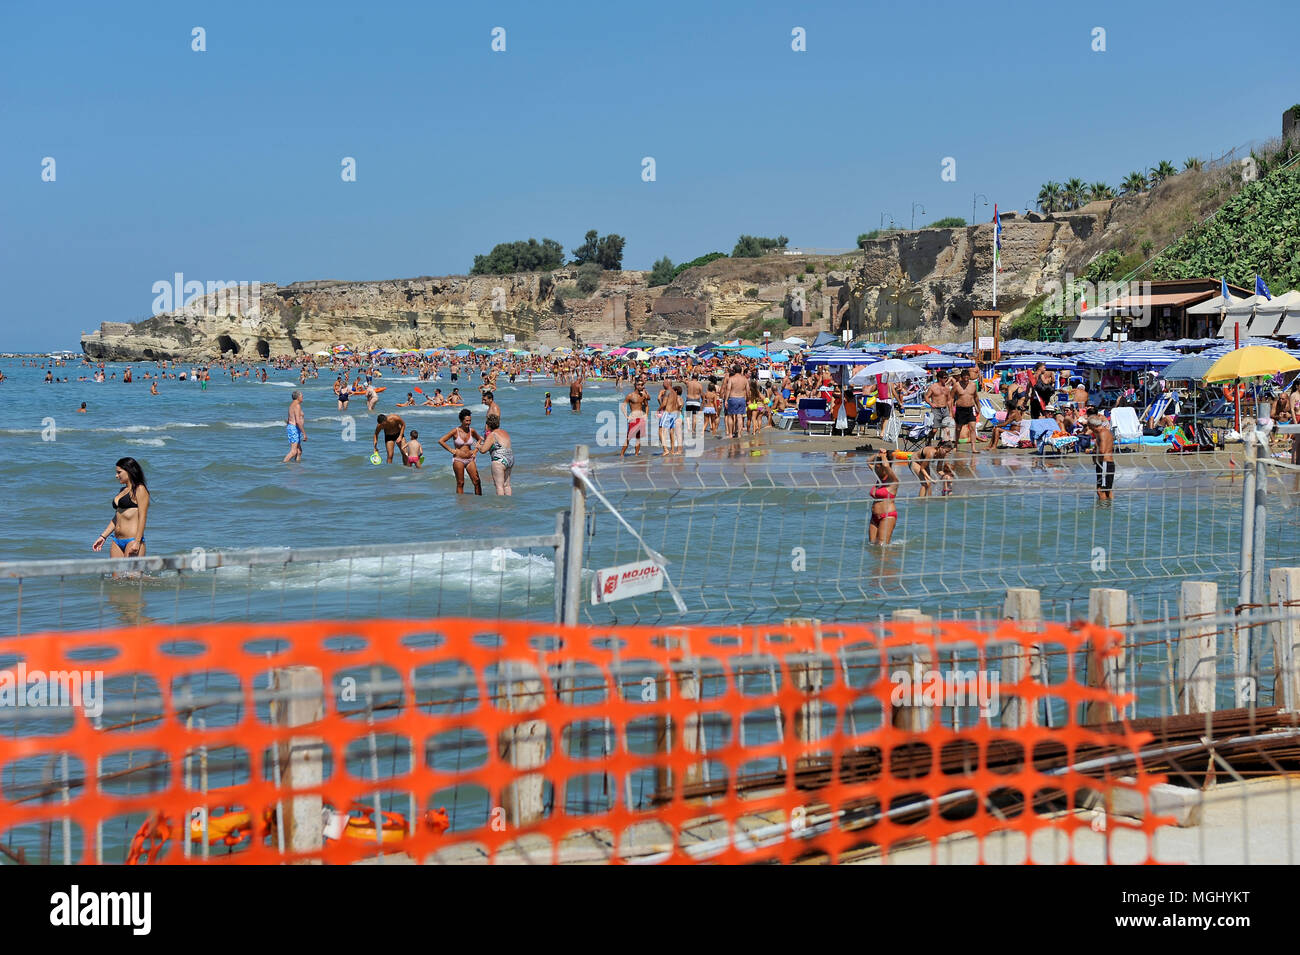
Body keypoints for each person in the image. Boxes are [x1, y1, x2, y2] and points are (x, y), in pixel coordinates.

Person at [92, 458, 150, 558]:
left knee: (133, 574)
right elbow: (117, 516)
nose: (116, 476)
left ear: (129, 471)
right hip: (116, 541)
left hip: (132, 540)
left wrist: (137, 541)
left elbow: (143, 517)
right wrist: (103, 536)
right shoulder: (123, 490)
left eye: (119, 472)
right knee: (116, 574)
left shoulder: (140, 489)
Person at [439, 409, 482, 494]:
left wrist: (475, 451)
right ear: (461, 420)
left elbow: (480, 439)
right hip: (459, 459)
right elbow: (441, 441)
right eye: (466, 421)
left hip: (470, 459)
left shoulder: (471, 431)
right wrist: (451, 450)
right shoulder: (455, 431)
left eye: (470, 421)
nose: (468, 423)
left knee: (477, 481)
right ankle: (460, 503)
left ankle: (479, 502)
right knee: (460, 483)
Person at [477, 413, 514, 495]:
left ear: (488, 425)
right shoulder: (504, 432)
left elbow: (483, 450)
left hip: (499, 460)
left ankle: (500, 506)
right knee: (507, 485)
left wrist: (478, 446)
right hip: (510, 459)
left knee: (499, 486)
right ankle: (508, 505)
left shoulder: (492, 434)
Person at [868, 451, 900, 544]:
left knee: (882, 546)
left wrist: (883, 456)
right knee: (872, 545)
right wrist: (877, 454)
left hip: (887, 516)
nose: (875, 470)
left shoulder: (893, 480)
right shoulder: (879, 478)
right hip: (874, 517)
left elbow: (886, 466)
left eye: (878, 468)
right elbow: (868, 461)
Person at [1085, 413, 1115, 503]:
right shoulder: (1103, 432)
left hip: (1105, 464)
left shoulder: (1102, 433)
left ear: (1093, 426)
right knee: (1107, 489)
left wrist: (1090, 451)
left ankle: (1103, 509)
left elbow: (1102, 451)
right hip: (1104, 464)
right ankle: (1110, 508)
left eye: (1089, 426)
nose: (1088, 428)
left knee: (1100, 490)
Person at [950, 368, 980, 453]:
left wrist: (978, 408)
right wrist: (951, 410)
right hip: (960, 409)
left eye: (967, 377)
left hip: (971, 408)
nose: (966, 379)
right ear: (961, 377)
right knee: (958, 428)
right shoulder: (957, 385)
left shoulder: (973, 385)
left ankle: (973, 447)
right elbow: (951, 398)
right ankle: (955, 445)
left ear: (969, 377)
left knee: (972, 428)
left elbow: (976, 397)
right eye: (964, 377)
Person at [622, 380, 650, 456]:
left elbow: (647, 406)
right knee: (629, 437)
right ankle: (621, 455)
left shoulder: (643, 395)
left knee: (638, 438)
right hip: (633, 418)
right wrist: (626, 416)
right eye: (640, 385)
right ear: (636, 386)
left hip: (641, 418)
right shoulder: (630, 396)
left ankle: (636, 454)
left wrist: (646, 415)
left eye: (642, 385)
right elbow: (623, 406)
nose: (642, 386)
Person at [924, 370, 953, 439]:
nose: (946, 379)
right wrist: (931, 403)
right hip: (936, 410)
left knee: (946, 428)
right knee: (934, 430)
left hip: (945, 409)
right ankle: (928, 440)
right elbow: (926, 397)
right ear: (939, 378)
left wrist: (951, 412)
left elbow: (949, 400)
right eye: (944, 377)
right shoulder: (933, 387)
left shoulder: (947, 388)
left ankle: (945, 444)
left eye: (947, 377)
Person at [721, 364, 748, 438]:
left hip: (732, 398)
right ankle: (739, 434)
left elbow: (728, 389)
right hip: (742, 398)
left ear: (734, 370)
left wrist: (726, 400)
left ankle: (730, 434)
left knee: (730, 416)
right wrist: (748, 400)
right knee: (739, 416)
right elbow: (748, 390)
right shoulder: (745, 379)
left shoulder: (731, 379)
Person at [283, 390, 306, 463]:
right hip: (294, 429)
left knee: (299, 451)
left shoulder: (292, 405)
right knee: (294, 452)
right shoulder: (297, 405)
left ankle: (296, 467)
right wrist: (304, 433)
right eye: (302, 396)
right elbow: (298, 421)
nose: (303, 397)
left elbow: (289, 418)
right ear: (298, 397)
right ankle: (282, 464)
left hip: (294, 428)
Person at [684, 374, 704, 440]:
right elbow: (702, 395)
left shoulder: (688, 383)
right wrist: (703, 402)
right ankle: (693, 429)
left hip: (689, 400)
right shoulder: (699, 385)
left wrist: (686, 379)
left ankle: (688, 428)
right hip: (696, 401)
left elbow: (684, 381)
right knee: (694, 416)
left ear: (692, 377)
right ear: (697, 377)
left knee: (688, 416)